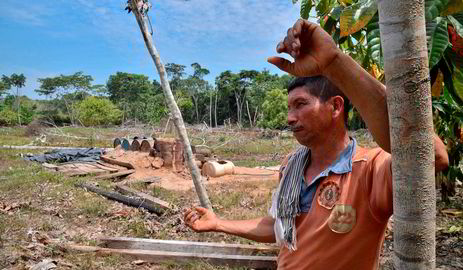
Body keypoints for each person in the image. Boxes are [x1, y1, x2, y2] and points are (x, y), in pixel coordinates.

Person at [183, 19, 449, 270]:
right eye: (289, 107)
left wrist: (334, 62)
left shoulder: (370, 168)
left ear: (335, 106)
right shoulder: (291, 165)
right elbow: (280, 227)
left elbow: (431, 157)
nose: (289, 118)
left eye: (300, 105)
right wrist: (218, 223)